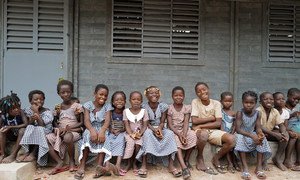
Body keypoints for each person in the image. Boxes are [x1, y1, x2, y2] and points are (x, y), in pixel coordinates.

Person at [191, 82, 235, 175]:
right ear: (196, 94)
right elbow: (194, 121)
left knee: (231, 139)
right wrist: (211, 118)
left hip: (213, 131)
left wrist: (201, 125)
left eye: (204, 89)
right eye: (199, 91)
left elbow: (218, 123)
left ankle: (216, 158)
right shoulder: (195, 102)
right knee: (204, 134)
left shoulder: (216, 103)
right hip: (201, 131)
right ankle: (199, 157)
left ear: (208, 89)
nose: (202, 92)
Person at [137, 86, 179, 177]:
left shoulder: (163, 106)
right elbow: (146, 123)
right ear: (146, 95)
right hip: (148, 127)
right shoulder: (143, 107)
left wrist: (159, 129)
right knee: (147, 134)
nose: (154, 95)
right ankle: (144, 165)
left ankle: (171, 165)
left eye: (156, 93)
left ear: (159, 95)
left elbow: (162, 121)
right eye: (151, 93)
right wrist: (154, 130)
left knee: (170, 133)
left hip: (160, 128)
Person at [75, 84, 113, 179]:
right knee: (87, 136)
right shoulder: (88, 105)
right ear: (95, 94)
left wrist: (102, 131)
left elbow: (107, 121)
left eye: (105, 95)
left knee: (105, 138)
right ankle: (82, 165)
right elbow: (86, 121)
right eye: (100, 94)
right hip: (90, 127)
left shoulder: (107, 106)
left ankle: (99, 167)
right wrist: (92, 131)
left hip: (102, 127)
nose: (103, 97)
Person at [47, 80, 84, 175]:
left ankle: (71, 161)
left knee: (68, 137)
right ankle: (59, 161)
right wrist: (58, 128)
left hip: (73, 132)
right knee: (47, 138)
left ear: (72, 92)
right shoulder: (58, 107)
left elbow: (81, 123)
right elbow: (54, 121)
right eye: (63, 92)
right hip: (61, 131)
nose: (66, 94)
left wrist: (69, 128)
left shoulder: (77, 106)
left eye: (68, 92)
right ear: (58, 93)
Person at [235, 91, 271, 180]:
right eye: (246, 102)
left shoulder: (258, 113)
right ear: (242, 102)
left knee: (263, 139)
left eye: (251, 103)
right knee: (240, 138)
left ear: (255, 103)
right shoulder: (240, 113)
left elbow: (258, 127)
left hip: (251, 134)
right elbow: (238, 129)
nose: (248, 105)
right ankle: (245, 167)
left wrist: (260, 134)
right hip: (242, 134)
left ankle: (258, 167)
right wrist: (251, 135)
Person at [167, 86, 196, 179]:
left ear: (184, 96)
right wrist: (179, 135)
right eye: (176, 95)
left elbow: (186, 122)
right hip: (173, 131)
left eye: (181, 95)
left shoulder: (187, 107)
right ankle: (184, 168)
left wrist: (184, 134)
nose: (178, 97)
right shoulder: (170, 108)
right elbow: (170, 125)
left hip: (184, 129)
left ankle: (186, 159)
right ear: (172, 96)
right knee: (176, 141)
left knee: (192, 135)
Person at [19, 90, 54, 166]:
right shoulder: (26, 110)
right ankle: (26, 152)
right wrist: (31, 120)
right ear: (30, 101)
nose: (39, 101)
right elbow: (28, 125)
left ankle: (33, 153)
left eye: (41, 99)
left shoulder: (47, 112)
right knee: (30, 127)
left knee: (39, 130)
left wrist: (36, 112)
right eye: (36, 99)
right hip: (33, 130)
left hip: (45, 130)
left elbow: (42, 126)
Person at [257, 92, 289, 171]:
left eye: (271, 99)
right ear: (260, 102)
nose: (269, 101)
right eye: (265, 99)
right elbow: (259, 126)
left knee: (285, 136)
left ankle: (277, 159)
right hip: (258, 132)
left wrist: (284, 133)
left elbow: (281, 124)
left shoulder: (275, 111)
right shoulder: (258, 111)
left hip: (269, 132)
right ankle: (264, 161)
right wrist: (274, 134)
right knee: (262, 136)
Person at [123, 91, 149, 178]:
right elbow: (126, 125)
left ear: (141, 101)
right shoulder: (126, 111)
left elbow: (145, 125)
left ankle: (134, 163)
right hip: (129, 133)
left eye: (138, 99)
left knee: (138, 144)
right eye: (134, 99)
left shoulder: (144, 111)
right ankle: (128, 163)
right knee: (130, 143)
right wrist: (131, 134)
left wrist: (140, 133)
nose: (136, 101)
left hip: (140, 133)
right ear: (130, 101)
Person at [0, 92, 28, 163]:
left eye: (18, 107)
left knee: (22, 130)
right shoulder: (3, 115)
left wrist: (11, 126)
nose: (17, 109)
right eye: (13, 108)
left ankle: (13, 155)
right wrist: (5, 128)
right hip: (11, 137)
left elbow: (25, 124)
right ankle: (3, 154)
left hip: (20, 137)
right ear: (6, 110)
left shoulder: (21, 112)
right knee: (2, 130)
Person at [106, 91, 126, 176]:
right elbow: (108, 123)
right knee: (107, 141)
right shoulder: (110, 112)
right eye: (117, 100)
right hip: (112, 131)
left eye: (121, 100)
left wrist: (120, 131)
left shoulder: (125, 112)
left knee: (121, 141)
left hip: (122, 132)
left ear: (125, 102)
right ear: (113, 102)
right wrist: (111, 130)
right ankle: (107, 164)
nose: (119, 101)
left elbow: (127, 125)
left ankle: (118, 164)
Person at [220, 91, 239, 173]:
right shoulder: (220, 112)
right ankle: (230, 163)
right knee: (227, 143)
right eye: (226, 101)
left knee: (235, 143)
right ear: (221, 102)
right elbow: (220, 123)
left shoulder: (234, 113)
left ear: (233, 102)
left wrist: (232, 132)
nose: (228, 103)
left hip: (232, 132)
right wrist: (223, 132)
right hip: (223, 132)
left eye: (230, 101)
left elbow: (235, 125)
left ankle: (235, 161)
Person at [283, 88, 300, 170]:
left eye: (298, 99)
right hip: (287, 126)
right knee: (295, 135)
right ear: (288, 96)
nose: (296, 101)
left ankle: (298, 161)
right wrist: (291, 115)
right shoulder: (282, 106)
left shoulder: (298, 106)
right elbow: (281, 119)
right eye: (294, 98)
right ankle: (287, 160)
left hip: (297, 125)